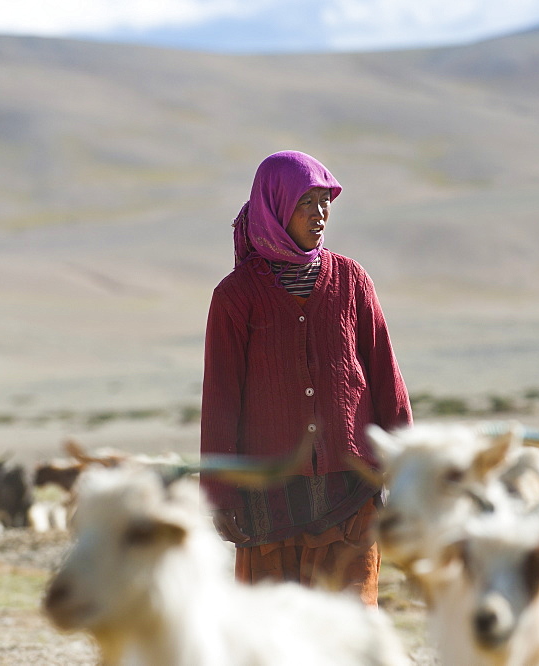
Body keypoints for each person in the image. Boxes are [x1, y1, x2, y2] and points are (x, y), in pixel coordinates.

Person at [200, 150, 412, 606]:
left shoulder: (352, 280)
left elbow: (383, 374)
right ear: (274, 208)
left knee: (348, 629)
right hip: (267, 500)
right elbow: (220, 399)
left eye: (324, 201)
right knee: (276, 637)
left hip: (350, 489)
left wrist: (406, 463)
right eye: (305, 203)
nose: (320, 215)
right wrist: (218, 493)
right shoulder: (236, 297)